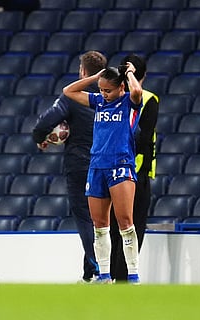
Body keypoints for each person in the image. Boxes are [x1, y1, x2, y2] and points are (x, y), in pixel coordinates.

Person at [62, 62, 143, 284]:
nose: (104, 94)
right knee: (99, 226)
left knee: (126, 223)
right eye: (101, 90)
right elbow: (68, 91)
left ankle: (133, 275)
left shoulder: (129, 102)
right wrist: (95, 77)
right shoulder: (98, 102)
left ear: (121, 88)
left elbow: (136, 90)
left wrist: (129, 73)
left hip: (120, 165)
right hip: (96, 166)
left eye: (108, 90)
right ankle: (105, 276)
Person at [32, 51, 107, 283]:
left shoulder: (74, 96)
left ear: (83, 72)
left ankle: (100, 270)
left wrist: (40, 137)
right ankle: (89, 276)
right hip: (108, 164)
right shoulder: (113, 96)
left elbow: (46, 121)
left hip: (80, 164)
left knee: (86, 219)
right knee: (101, 220)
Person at [110, 54, 159, 282]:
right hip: (135, 172)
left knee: (112, 229)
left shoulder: (112, 97)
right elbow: (144, 139)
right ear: (144, 76)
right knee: (132, 228)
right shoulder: (148, 99)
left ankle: (110, 277)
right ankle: (123, 280)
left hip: (110, 171)